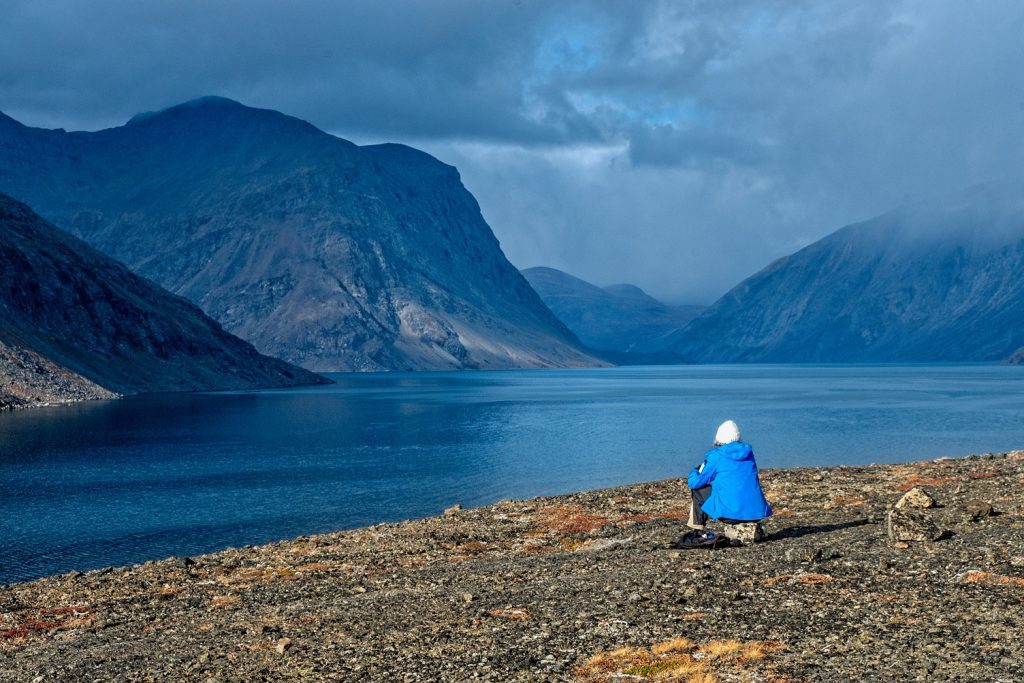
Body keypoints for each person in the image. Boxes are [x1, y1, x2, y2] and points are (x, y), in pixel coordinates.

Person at [686, 420, 772, 535]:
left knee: (698, 489)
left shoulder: (716, 456)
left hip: (730, 515)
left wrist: (695, 470)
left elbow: (694, 482)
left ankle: (697, 529)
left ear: (719, 438)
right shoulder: (748, 454)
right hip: (756, 513)